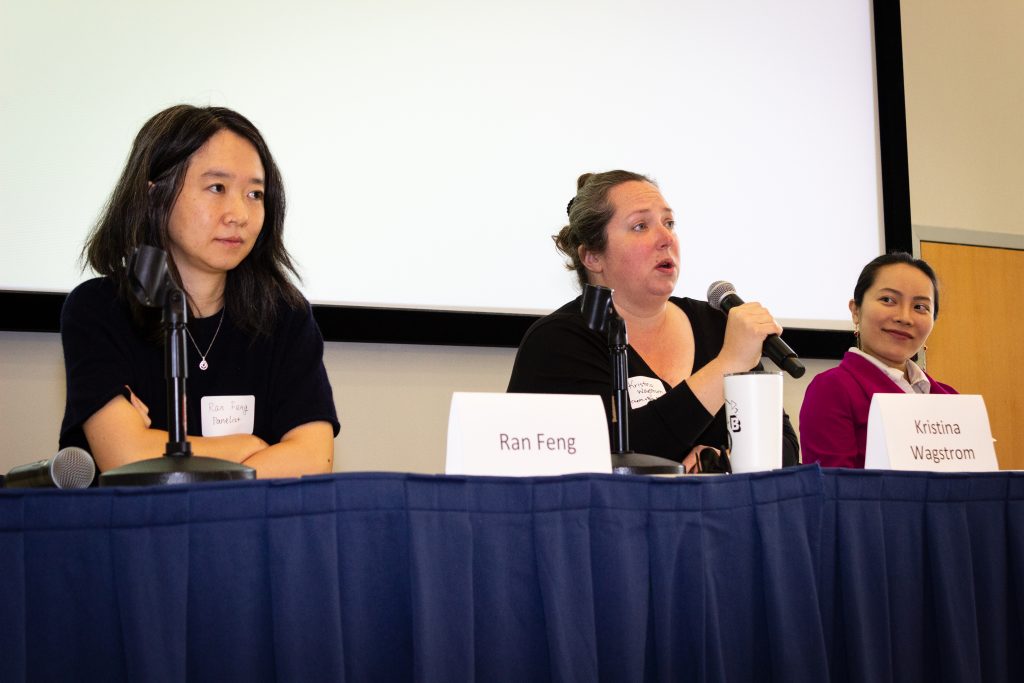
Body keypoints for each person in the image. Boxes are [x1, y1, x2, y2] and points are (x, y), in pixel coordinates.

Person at [59, 105, 339, 479]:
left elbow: (313, 459)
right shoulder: (99, 310)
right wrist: (246, 448)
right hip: (135, 534)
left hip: (250, 535)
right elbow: (125, 459)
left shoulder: (284, 316)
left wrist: (166, 452)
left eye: (255, 194)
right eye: (217, 188)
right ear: (155, 196)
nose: (238, 213)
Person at [507, 170, 799, 468]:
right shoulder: (557, 343)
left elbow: (785, 450)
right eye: (640, 226)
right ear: (593, 257)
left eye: (669, 223)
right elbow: (608, 456)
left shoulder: (717, 327)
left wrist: (720, 464)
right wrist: (727, 365)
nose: (666, 238)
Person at [799, 252, 956, 468]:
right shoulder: (831, 389)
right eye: (888, 300)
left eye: (920, 307)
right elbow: (835, 492)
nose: (904, 317)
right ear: (856, 311)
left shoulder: (952, 399)